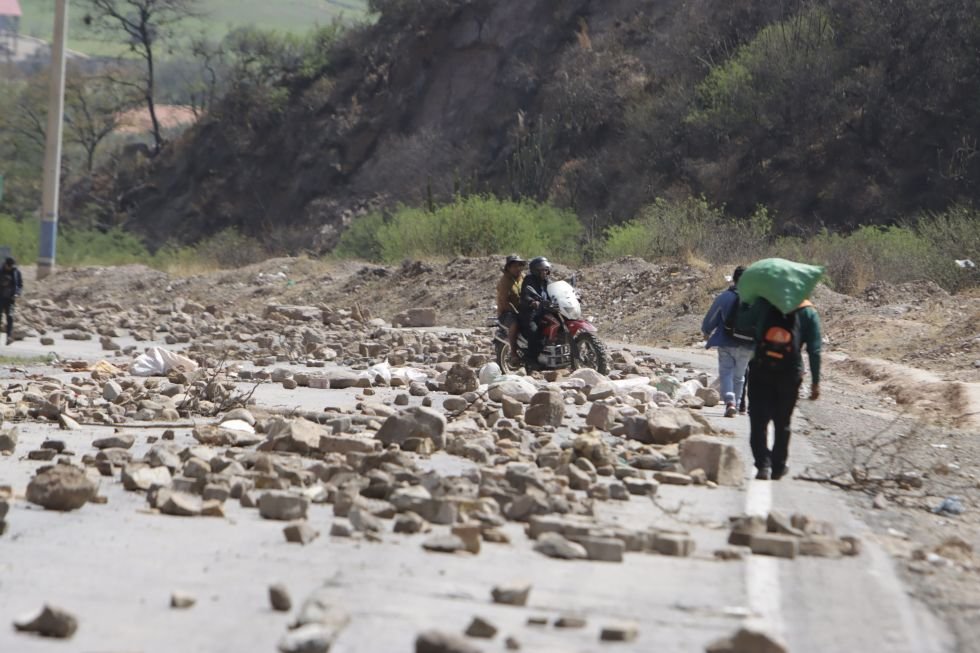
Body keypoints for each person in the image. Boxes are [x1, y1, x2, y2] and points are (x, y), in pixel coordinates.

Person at [747, 297, 822, 480]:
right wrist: (815, 382)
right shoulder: (808, 311)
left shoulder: (764, 303)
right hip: (790, 372)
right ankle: (778, 466)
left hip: (761, 368)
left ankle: (763, 465)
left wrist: (747, 304)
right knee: (783, 422)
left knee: (758, 419)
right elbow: (814, 349)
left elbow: (743, 321)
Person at [701, 266, 754, 418]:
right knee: (739, 376)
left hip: (726, 342)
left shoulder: (725, 297)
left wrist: (706, 331)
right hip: (747, 345)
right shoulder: (755, 299)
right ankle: (736, 405)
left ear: (734, 279)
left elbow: (712, 317)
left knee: (726, 373)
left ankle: (730, 401)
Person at [519, 256, 553, 368]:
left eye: (545, 269)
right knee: (535, 331)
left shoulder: (546, 281)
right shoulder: (529, 279)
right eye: (541, 270)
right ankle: (530, 359)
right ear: (535, 270)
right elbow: (525, 294)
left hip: (543, 312)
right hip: (530, 313)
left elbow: (554, 292)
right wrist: (532, 301)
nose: (544, 272)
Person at [496, 254, 526, 365]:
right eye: (514, 266)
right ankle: (513, 353)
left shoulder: (522, 277)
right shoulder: (504, 281)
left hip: (522, 309)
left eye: (519, 265)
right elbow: (504, 302)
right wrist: (516, 312)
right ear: (508, 268)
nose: (517, 268)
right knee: (514, 323)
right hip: (506, 312)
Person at [0, 257, 23, 344]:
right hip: (0, 298)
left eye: (11, 266)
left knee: (10, 317)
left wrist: (17, 293)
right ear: (5, 264)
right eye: (9, 266)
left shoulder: (16, 272)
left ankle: (9, 337)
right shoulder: (1, 271)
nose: (10, 268)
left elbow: (20, 285)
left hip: (10, 300)